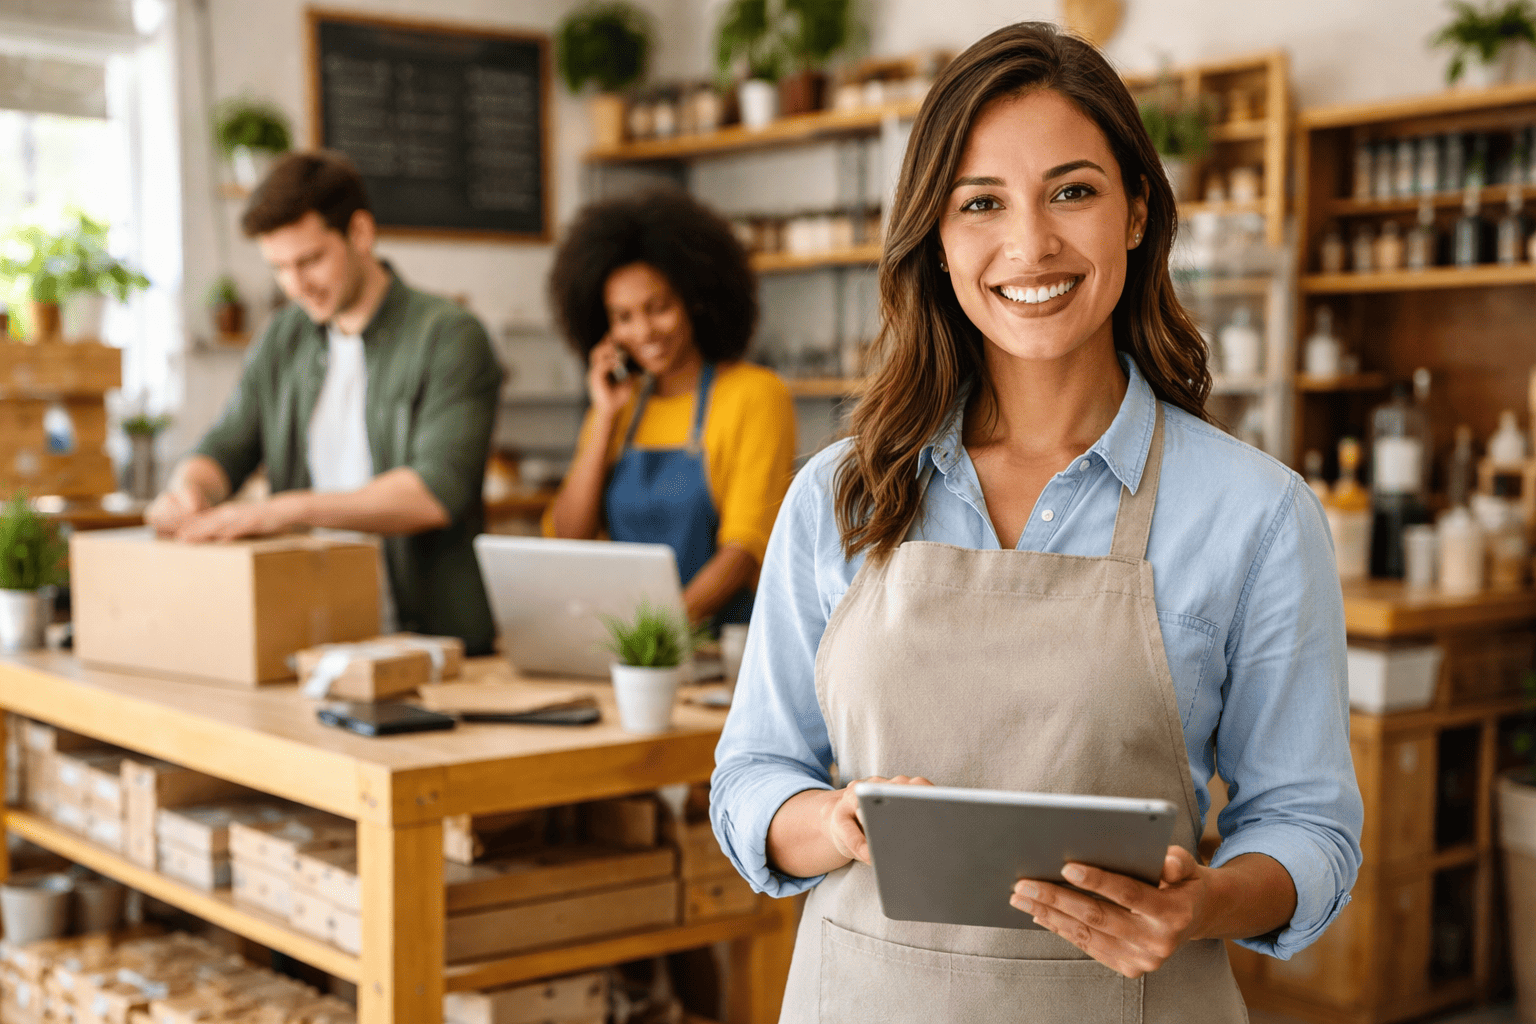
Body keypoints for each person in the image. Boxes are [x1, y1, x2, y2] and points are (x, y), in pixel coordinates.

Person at [710, 23, 1362, 1022]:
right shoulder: (838, 494)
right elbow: (754, 775)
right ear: (935, 234)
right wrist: (836, 824)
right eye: (981, 203)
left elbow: (1308, 823)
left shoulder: (1257, 515)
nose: (1030, 245)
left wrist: (1201, 905)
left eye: (1072, 190)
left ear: (1137, 210)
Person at [145, 151, 502, 655]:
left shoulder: (449, 336)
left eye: (310, 260)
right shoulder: (282, 338)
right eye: (279, 268)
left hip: (428, 638)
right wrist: (190, 490)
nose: (296, 285)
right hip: (313, 630)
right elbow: (227, 444)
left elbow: (434, 492)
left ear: (360, 233)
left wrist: (280, 510)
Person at [544, 188, 796, 626]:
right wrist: (604, 415)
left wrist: (656, 636)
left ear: (694, 299)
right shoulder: (617, 408)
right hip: (630, 644)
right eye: (623, 317)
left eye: (657, 308)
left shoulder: (755, 394)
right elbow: (570, 539)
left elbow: (744, 552)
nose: (643, 331)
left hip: (721, 649)